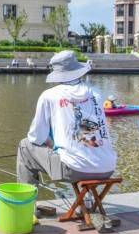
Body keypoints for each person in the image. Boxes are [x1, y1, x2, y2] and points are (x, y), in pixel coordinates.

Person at [16, 50, 117, 187]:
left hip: (73, 170)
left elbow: (36, 137)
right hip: (108, 167)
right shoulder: (96, 92)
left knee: (25, 146)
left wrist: (50, 143)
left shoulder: (49, 95)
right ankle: (86, 204)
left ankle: (26, 204)